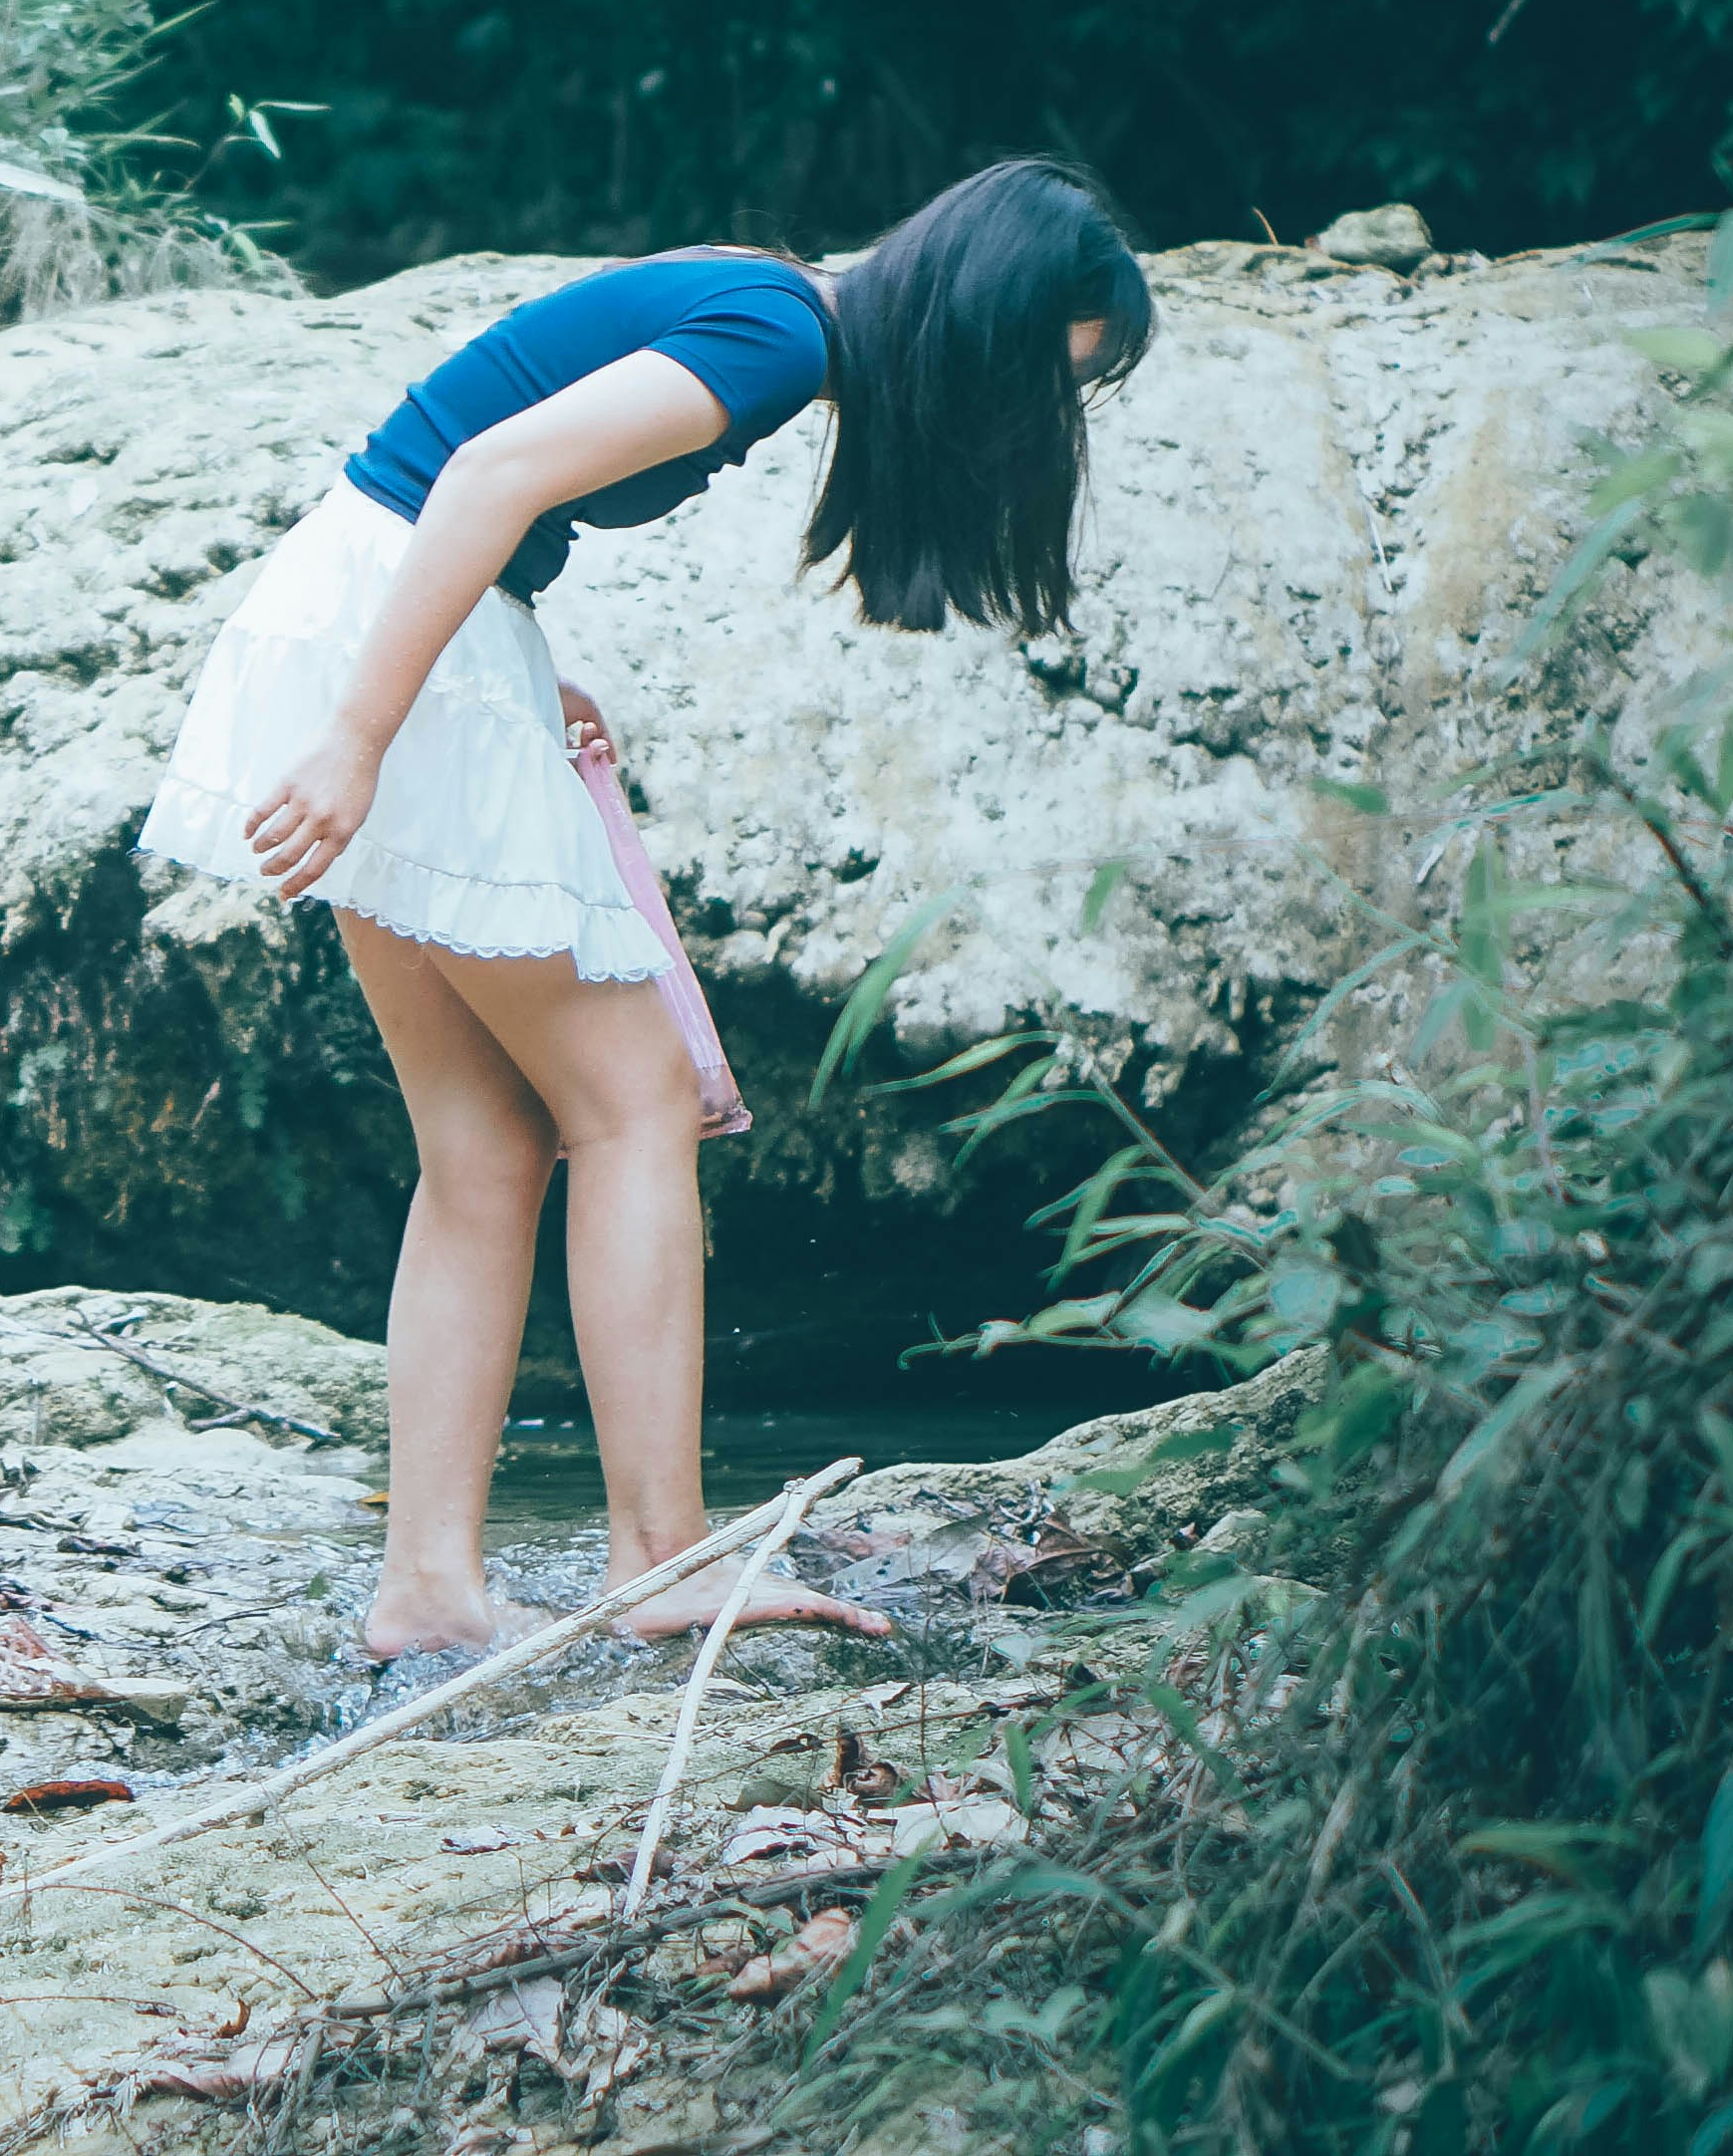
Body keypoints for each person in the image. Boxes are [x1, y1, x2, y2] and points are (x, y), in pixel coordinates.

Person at [134, 159, 1155, 1660]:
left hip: (381, 606)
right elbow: (483, 476)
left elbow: (465, 474)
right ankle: (662, 1557)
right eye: (1031, 378)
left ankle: (427, 1588)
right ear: (974, 327)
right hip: (388, 638)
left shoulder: (763, 305)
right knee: (637, 1107)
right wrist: (366, 737)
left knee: (484, 1144)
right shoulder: (776, 333)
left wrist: (516, 672)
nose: (1023, 423)